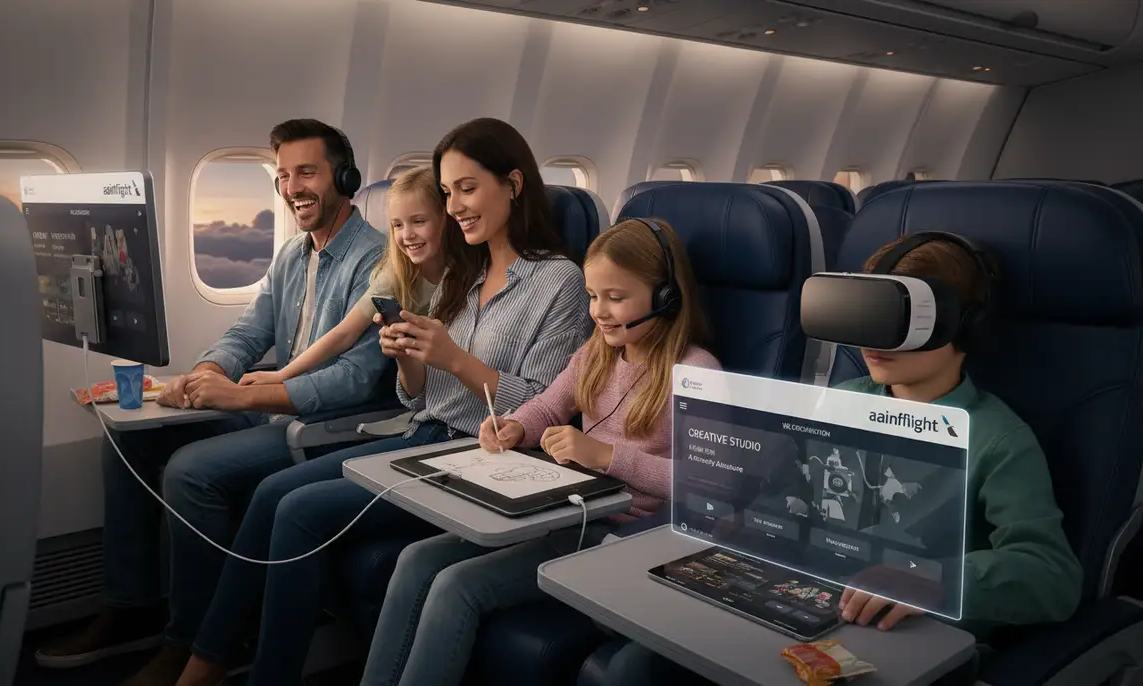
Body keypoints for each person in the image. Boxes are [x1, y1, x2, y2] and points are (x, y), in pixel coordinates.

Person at [175, 117, 592, 686]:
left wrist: (454, 359)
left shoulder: (559, 282)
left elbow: (542, 410)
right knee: (273, 493)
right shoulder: (463, 273)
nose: (454, 207)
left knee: (296, 511)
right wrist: (407, 357)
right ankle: (209, 657)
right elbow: (416, 395)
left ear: (513, 184)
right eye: (447, 193)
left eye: (467, 189)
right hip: (423, 435)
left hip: (478, 455)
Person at [599, 232, 1084, 686]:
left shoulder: (998, 439)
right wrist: (752, 521)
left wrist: (936, 581)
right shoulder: (846, 399)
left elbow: (1052, 575)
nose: (870, 341)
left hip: (909, 635)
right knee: (633, 669)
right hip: (808, 600)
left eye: (896, 322)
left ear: (964, 325)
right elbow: (798, 492)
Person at [34, 118, 390, 686]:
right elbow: (250, 330)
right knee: (128, 438)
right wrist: (210, 371)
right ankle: (131, 606)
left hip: (326, 424)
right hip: (272, 405)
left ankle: (193, 640)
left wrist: (245, 393)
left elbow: (355, 379)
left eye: (307, 173)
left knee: (190, 472)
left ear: (344, 178)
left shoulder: (377, 262)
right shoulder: (293, 255)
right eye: (283, 176)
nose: (292, 188)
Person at [355, 218, 720, 686]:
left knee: (455, 586)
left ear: (665, 295)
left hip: (623, 537)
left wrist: (606, 457)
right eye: (592, 296)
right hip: (569, 511)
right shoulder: (597, 353)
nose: (599, 312)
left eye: (616, 297)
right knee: (416, 560)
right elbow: (549, 405)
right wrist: (516, 426)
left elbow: (706, 484)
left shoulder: (697, 373)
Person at [239, 166, 449, 389]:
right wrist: (281, 375)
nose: (407, 235)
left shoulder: (465, 278)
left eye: (419, 221)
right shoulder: (396, 274)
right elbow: (345, 332)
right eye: (397, 225)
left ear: (447, 219)